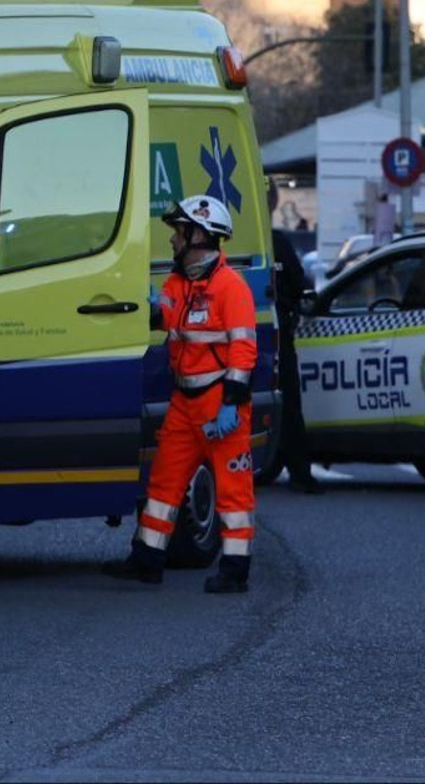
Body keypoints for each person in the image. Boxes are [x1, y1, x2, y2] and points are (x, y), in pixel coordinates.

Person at [104, 194, 258, 593]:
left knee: (231, 490)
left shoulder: (231, 287)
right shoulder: (177, 282)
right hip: (185, 404)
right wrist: (151, 309)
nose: (173, 240)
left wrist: (232, 403)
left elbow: (244, 350)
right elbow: (167, 319)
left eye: (179, 232)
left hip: (218, 404)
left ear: (200, 236)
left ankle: (235, 570)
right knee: (163, 484)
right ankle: (147, 560)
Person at [269, 180, 322, 493]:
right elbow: (302, 286)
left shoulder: (269, 243)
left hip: (260, 336)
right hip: (276, 336)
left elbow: (300, 286)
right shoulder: (277, 244)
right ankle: (300, 473)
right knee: (289, 406)